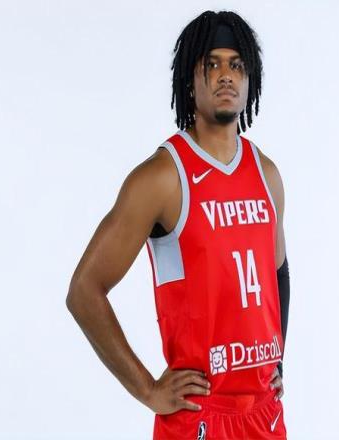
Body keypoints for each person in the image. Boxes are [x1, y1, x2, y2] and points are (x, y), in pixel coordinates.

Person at [66, 10, 290, 439]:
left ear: (250, 79)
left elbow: (277, 271)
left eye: (236, 64)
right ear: (190, 80)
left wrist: (277, 360)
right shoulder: (162, 178)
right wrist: (147, 389)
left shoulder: (267, 175)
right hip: (199, 414)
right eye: (212, 64)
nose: (226, 75)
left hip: (265, 413)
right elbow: (84, 291)